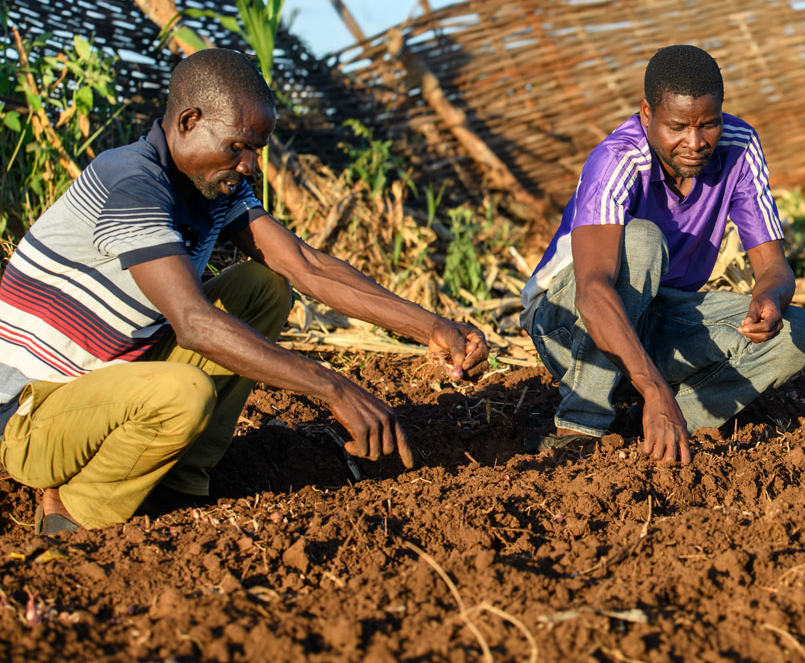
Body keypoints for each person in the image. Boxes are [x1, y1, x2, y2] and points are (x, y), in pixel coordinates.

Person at [0, 48, 487, 532]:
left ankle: (177, 480)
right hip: (30, 414)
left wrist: (432, 327)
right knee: (182, 392)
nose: (251, 164)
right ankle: (76, 513)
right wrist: (333, 386)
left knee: (263, 286)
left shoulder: (208, 185)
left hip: (105, 389)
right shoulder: (133, 182)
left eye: (257, 150)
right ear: (189, 121)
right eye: (238, 146)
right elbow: (193, 325)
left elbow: (305, 266)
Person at [520, 44, 805, 464]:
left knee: (794, 335)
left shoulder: (739, 144)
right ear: (647, 113)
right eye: (677, 126)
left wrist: (769, 298)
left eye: (708, 124)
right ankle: (581, 426)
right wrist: (656, 387)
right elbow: (592, 293)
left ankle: (658, 423)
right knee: (640, 239)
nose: (695, 142)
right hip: (566, 325)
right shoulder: (618, 158)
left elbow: (773, 267)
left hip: (656, 317)